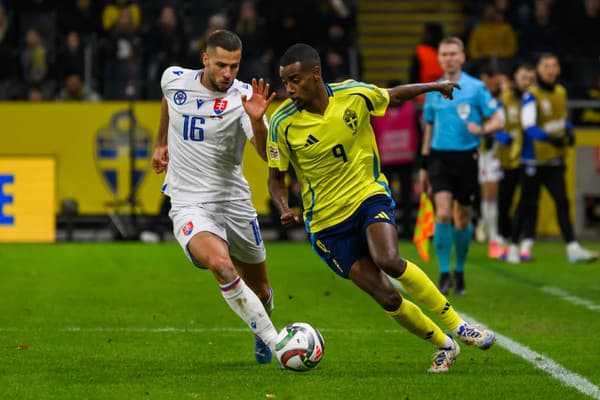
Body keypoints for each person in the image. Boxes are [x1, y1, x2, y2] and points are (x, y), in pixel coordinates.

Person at [267, 43, 496, 373]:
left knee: (388, 258)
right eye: (285, 81)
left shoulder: (353, 94)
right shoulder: (282, 122)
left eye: (295, 80)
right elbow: (276, 177)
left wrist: (435, 86)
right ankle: (444, 346)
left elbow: (394, 95)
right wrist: (283, 205)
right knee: (387, 297)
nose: (289, 89)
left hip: (367, 196)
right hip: (326, 225)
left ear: (315, 74)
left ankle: (460, 325)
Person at [151, 29, 280, 365]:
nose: (228, 73)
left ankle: (260, 327)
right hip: (188, 201)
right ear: (205, 59)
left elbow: (267, 155)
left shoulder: (245, 98)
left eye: (234, 66)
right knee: (222, 266)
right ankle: (279, 345)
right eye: (221, 65)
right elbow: (168, 98)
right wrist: (161, 142)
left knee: (262, 290)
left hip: (233, 202)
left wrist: (258, 121)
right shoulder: (174, 79)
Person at [419, 37, 504, 296]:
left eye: (453, 53)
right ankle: (444, 273)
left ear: (462, 56)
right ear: (440, 58)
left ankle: (460, 270)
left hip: (467, 157)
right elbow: (429, 127)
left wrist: (483, 129)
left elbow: (499, 119)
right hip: (439, 157)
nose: (449, 58)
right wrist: (423, 165)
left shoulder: (476, 88)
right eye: (444, 54)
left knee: (462, 217)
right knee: (443, 213)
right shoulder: (433, 88)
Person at [506, 53, 599, 264]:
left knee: (562, 202)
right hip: (532, 160)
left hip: (554, 160)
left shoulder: (560, 92)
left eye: (554, 65)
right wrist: (549, 139)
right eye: (546, 65)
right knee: (526, 205)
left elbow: (560, 119)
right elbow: (528, 125)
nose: (551, 69)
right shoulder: (532, 95)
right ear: (539, 69)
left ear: (558, 69)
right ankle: (512, 246)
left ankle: (572, 248)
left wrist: (569, 129)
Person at [495, 63, 536, 258]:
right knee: (505, 201)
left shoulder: (535, 98)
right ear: (515, 78)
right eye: (523, 77)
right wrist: (503, 138)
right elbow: (495, 124)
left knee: (528, 202)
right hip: (508, 158)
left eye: (530, 78)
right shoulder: (505, 98)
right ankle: (504, 240)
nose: (526, 82)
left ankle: (525, 244)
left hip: (529, 157)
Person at [371, 80, 419, 239]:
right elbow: (418, 133)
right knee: (404, 197)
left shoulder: (378, 112)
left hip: (388, 160)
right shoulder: (410, 109)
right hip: (404, 159)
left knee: (388, 198)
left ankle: (392, 229)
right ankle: (405, 229)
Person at [476, 64, 507, 258]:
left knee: (494, 196)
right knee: (489, 195)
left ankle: (490, 230)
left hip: (498, 153)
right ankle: (493, 238)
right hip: (483, 155)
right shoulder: (478, 103)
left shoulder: (501, 102)